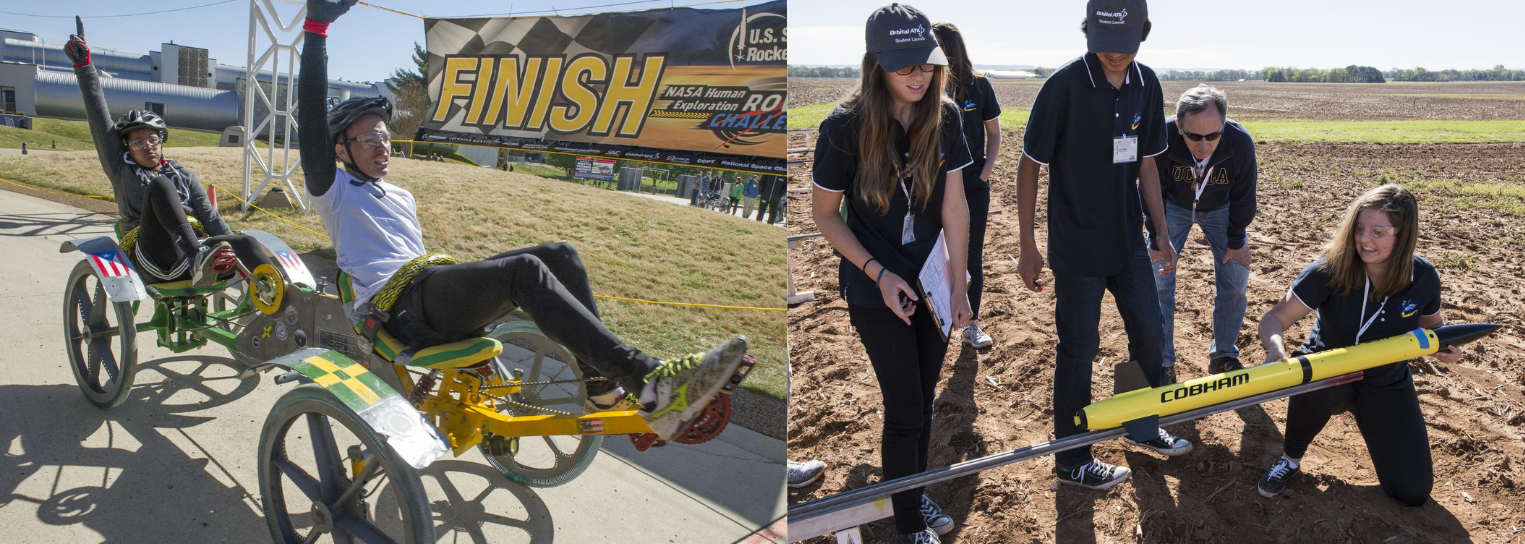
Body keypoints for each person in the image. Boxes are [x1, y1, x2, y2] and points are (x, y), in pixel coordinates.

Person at [297, 0, 748, 441]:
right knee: (524, 272)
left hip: (430, 290)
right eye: (368, 138)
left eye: (384, 134)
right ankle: (648, 381)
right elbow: (312, 124)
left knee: (559, 255)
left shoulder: (400, 195)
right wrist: (316, 31)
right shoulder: (333, 191)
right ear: (340, 150)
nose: (383, 144)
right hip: (396, 311)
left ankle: (600, 388)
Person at [1015, 0, 1192, 491]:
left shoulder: (1146, 84)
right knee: (1078, 349)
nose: (1115, 55)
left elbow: (1148, 164)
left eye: (1125, 45)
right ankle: (1072, 460)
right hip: (1075, 246)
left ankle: (1143, 426)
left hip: (1128, 240)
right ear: (1088, 33)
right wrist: (1027, 244)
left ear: (1144, 35)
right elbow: (1029, 165)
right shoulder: (1063, 87)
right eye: (1104, 44)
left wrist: (1159, 228)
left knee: (1151, 337)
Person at [811, 4, 972, 543]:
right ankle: (908, 527)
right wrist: (877, 272)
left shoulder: (945, 117)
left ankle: (913, 491)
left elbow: (955, 207)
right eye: (904, 65)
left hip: (933, 281)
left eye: (924, 63)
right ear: (876, 63)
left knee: (923, 404)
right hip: (874, 285)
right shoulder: (843, 127)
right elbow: (825, 215)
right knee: (904, 406)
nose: (918, 75)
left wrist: (959, 282)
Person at [1254, 185, 1461, 505]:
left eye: (1378, 231)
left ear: (1403, 234)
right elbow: (1273, 320)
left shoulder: (1423, 277)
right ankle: (1290, 458)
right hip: (1329, 371)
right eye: (1360, 228)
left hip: (1386, 379)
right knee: (1312, 380)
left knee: (1413, 492)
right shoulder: (1328, 269)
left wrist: (1444, 346)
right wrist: (1275, 345)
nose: (1365, 239)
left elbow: (1433, 328)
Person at [63, 26, 274, 288]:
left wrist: (231, 246)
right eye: (138, 142)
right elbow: (98, 118)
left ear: (161, 142)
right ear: (126, 147)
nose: (148, 146)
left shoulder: (183, 175)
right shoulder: (121, 169)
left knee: (247, 243)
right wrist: (85, 67)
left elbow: (211, 219)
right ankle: (196, 255)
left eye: (153, 139)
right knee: (160, 185)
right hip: (154, 257)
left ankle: (291, 299)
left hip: (199, 255)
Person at [1146, 85, 1258, 384]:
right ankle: (1162, 361)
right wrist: (1157, 235)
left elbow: (1245, 197)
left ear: (1224, 125)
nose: (1204, 145)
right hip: (1173, 205)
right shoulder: (1163, 136)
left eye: (1213, 135)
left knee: (1235, 276)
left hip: (1222, 207)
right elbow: (1150, 188)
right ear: (1179, 126)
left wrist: (1236, 241)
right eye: (1194, 136)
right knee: (1159, 279)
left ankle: (1224, 355)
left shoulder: (1240, 142)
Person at [930, 22, 1000, 350]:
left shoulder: (980, 87)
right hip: (931, 189)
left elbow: (995, 134)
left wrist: (984, 173)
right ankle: (936, 324)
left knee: (971, 257)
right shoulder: (925, 88)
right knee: (931, 257)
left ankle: (971, 326)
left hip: (972, 188)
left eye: (937, 47)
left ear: (951, 49)